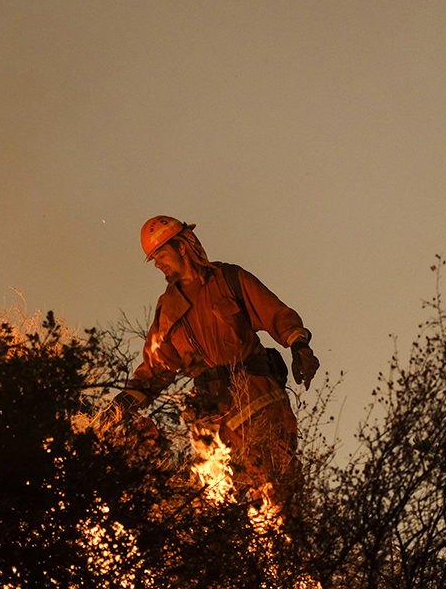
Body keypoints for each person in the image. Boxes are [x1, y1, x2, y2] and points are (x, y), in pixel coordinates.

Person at [116, 215, 320, 512]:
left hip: (258, 401)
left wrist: (299, 345)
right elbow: (157, 366)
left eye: (160, 254)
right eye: (154, 258)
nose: (157, 264)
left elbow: (276, 314)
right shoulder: (168, 308)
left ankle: (290, 549)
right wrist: (127, 399)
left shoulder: (229, 280)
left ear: (182, 247)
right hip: (212, 421)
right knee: (222, 504)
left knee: (278, 491)